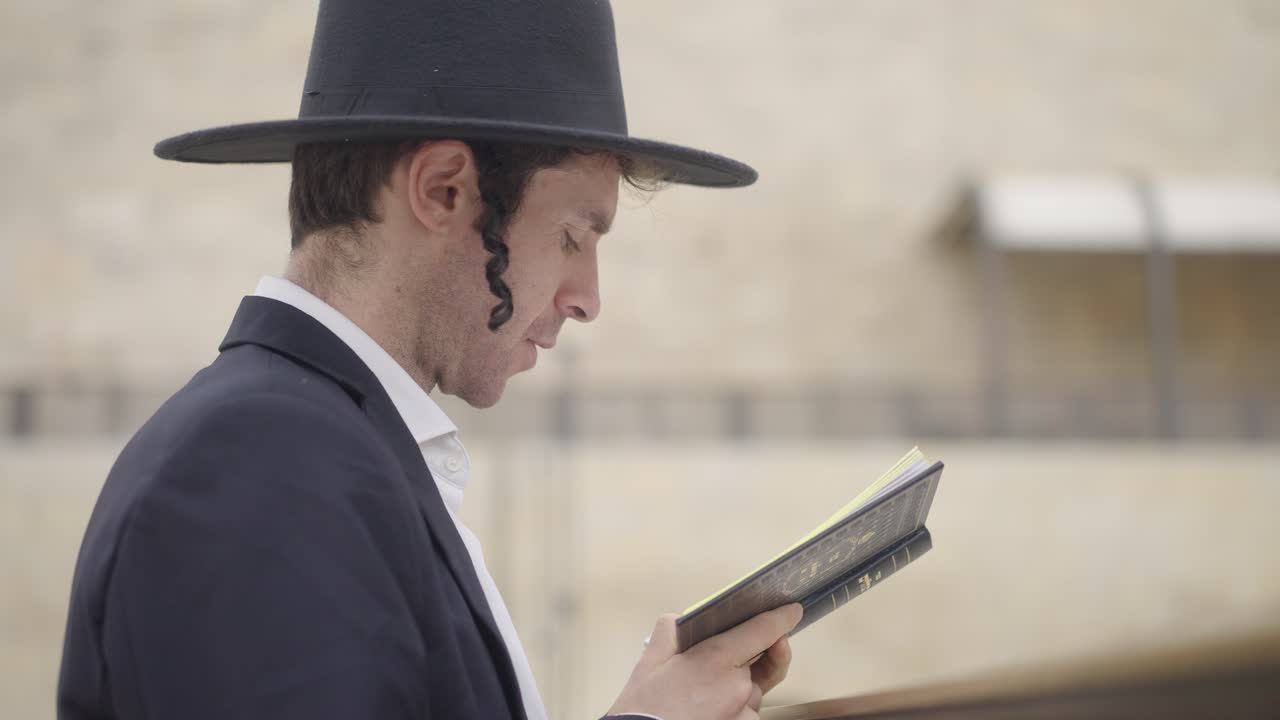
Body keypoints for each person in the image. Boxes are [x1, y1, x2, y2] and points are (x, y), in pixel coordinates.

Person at [57, 1, 801, 719]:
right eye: (572, 236)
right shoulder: (256, 460)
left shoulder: (322, 447)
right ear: (444, 191)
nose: (587, 299)